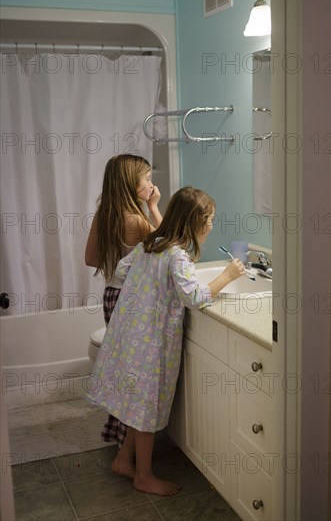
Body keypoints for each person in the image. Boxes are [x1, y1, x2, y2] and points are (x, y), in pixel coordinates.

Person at [86, 186, 245, 496]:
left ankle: (123, 459)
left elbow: (121, 270)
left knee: (135, 406)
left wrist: (148, 293)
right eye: (210, 219)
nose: (212, 225)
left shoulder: (151, 243)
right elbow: (195, 297)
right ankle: (143, 476)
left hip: (131, 337)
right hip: (151, 346)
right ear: (197, 222)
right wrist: (228, 275)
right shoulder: (178, 256)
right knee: (145, 412)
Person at [85, 153, 163, 472]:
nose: (150, 183)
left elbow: (91, 258)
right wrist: (154, 206)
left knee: (125, 376)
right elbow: (173, 247)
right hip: (132, 303)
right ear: (133, 184)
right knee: (136, 382)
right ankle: (126, 457)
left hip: (112, 296)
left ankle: (123, 450)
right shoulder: (137, 219)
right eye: (146, 178)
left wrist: (123, 260)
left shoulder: (106, 214)